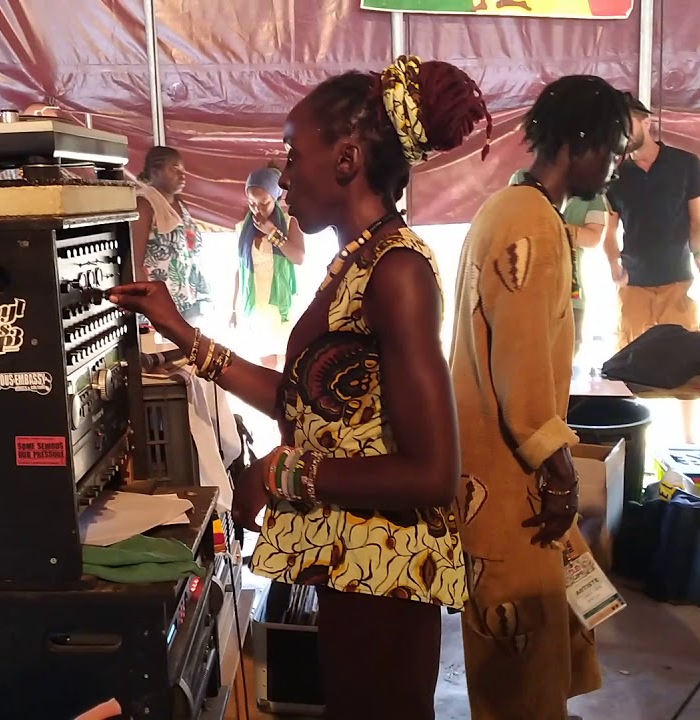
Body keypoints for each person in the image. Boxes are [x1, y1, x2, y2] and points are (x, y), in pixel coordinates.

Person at [108, 56, 491, 719]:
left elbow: (432, 472)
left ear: (346, 160)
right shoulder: (358, 263)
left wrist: (284, 471)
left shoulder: (396, 270)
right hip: (359, 570)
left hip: (387, 580)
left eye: (293, 154)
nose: (283, 177)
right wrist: (183, 334)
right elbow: (303, 400)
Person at [450, 75, 631, 719]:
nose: (612, 166)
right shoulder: (531, 226)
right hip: (513, 488)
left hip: (488, 479)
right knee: (520, 670)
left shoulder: (508, 208)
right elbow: (522, 377)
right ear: (579, 143)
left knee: (525, 651)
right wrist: (561, 476)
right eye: (611, 149)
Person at [605, 93, 700, 442]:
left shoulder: (686, 163)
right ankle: (626, 437)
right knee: (627, 364)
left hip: (678, 280)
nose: (621, 133)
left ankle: (690, 441)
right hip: (633, 284)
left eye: (625, 124)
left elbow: (697, 221)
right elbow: (609, 232)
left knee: (686, 362)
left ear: (645, 121)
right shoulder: (614, 175)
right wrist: (613, 263)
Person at [508, 167, 610, 356]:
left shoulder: (593, 189)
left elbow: (594, 238)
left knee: (565, 360)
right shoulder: (522, 178)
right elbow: (512, 225)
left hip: (570, 294)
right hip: (526, 291)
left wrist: (553, 227)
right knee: (524, 359)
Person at [230, 163, 305, 370]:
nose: (258, 209)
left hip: (282, 307)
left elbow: (298, 257)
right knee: (266, 366)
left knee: (290, 365)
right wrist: (233, 308)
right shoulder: (242, 229)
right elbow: (240, 270)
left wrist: (272, 232)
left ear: (276, 197)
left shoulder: (290, 222)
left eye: (264, 203)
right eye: (252, 203)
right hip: (255, 308)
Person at [131, 146, 211, 321]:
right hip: (161, 307)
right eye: (174, 169)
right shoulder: (144, 205)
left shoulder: (181, 205)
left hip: (189, 302)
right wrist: (149, 308)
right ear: (155, 172)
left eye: (183, 170)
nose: (182, 175)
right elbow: (134, 263)